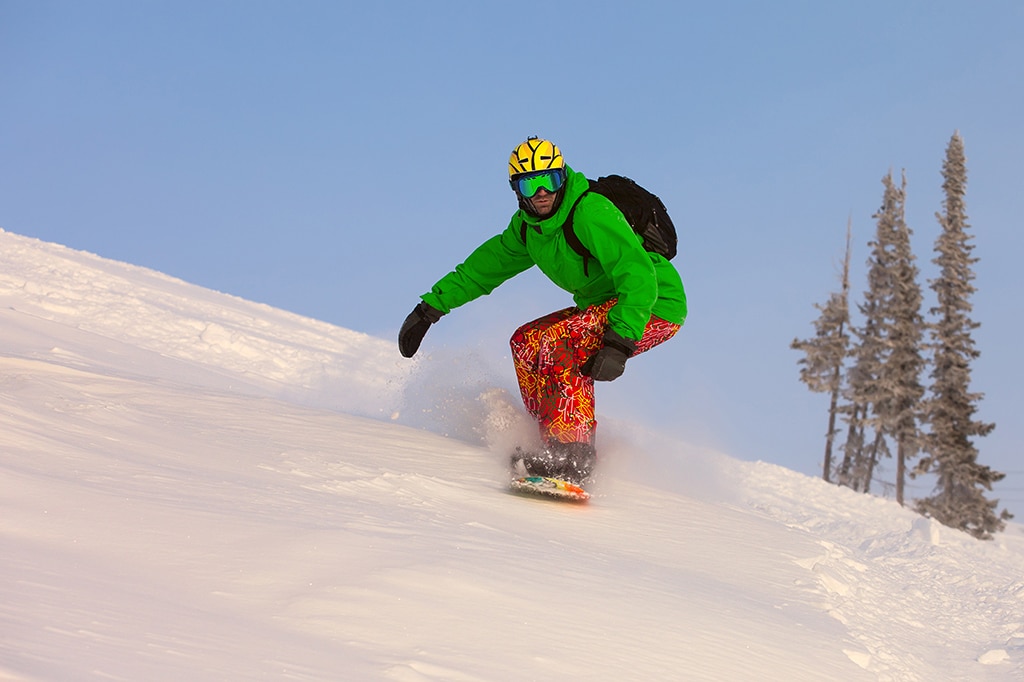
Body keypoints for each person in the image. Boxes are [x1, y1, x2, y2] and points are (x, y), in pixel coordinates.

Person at [398, 137, 687, 485]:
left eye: (548, 180)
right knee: (526, 341)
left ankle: (573, 455)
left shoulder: (590, 212)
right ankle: (549, 438)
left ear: (562, 177)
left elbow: (638, 274)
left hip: (653, 304)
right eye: (528, 184)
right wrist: (431, 307)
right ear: (516, 190)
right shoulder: (528, 229)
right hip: (607, 306)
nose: (541, 193)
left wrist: (621, 339)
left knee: (557, 342)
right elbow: (483, 269)